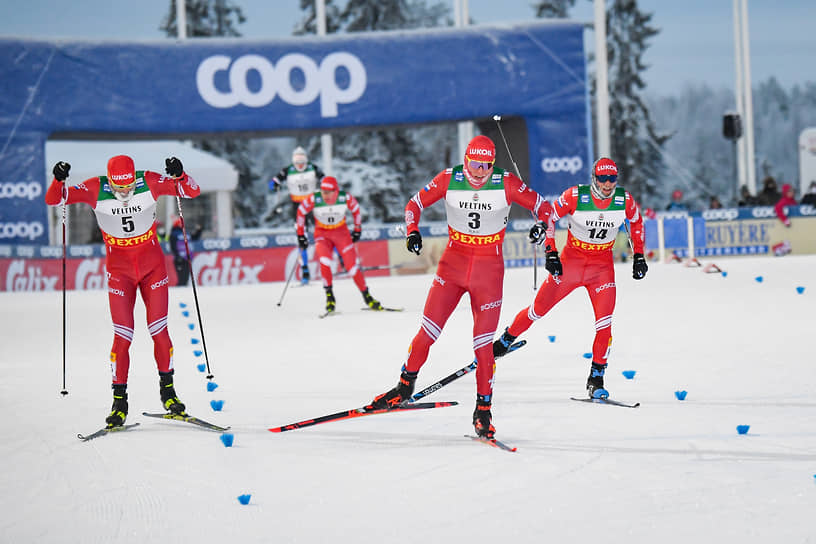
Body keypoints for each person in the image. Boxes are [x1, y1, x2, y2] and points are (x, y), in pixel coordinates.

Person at [365, 135, 554, 440]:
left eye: (486, 165)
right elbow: (414, 204)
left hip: (488, 272)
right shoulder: (449, 179)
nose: (480, 172)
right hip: (452, 266)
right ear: (465, 159)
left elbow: (544, 208)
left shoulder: (505, 182)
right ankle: (404, 386)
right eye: (474, 164)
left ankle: (483, 412)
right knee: (427, 332)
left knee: (483, 347)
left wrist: (542, 225)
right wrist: (412, 231)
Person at [45, 155, 200, 429]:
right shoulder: (96, 187)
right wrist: (58, 180)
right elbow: (54, 200)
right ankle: (119, 403)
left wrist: (180, 175)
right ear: (110, 181)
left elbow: (190, 191)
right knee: (123, 335)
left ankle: (169, 394)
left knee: (159, 330)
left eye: (128, 187)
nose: (125, 193)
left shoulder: (149, 181)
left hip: (153, 268)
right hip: (120, 273)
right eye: (119, 189)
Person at [493, 157, 647, 401]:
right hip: (570, 265)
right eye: (602, 179)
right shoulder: (576, 196)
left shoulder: (623, 200)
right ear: (594, 178)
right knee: (537, 311)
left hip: (602, 269)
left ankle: (596, 379)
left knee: (604, 324)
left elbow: (637, 223)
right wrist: (551, 252)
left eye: (612, 179)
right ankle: (505, 339)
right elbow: (549, 217)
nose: (607, 184)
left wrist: (639, 256)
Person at [295, 176, 383, 314]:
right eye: (323, 191)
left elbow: (356, 210)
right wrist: (301, 234)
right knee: (324, 261)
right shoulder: (315, 199)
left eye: (328, 192)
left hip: (341, 234)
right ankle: (330, 297)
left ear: (336, 191)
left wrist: (357, 229)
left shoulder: (345, 198)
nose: (325, 195)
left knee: (352, 267)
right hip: (322, 235)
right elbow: (301, 211)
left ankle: (367, 296)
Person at [270, 146, 325, 284]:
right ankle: (305, 271)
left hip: (312, 204)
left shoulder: (313, 168)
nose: (300, 164)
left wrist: (324, 184)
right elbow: (274, 181)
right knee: (302, 238)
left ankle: (340, 260)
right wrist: (274, 185)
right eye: (297, 161)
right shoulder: (288, 170)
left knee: (325, 232)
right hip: (298, 207)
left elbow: (324, 178)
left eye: (302, 160)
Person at [169, 216, 203, 286]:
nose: (182, 224)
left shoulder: (185, 232)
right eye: (180, 223)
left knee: (186, 279)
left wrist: (199, 230)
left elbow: (194, 237)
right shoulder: (174, 234)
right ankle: (179, 293)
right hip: (180, 259)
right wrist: (178, 256)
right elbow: (173, 246)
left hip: (187, 258)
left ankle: (183, 293)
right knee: (181, 280)